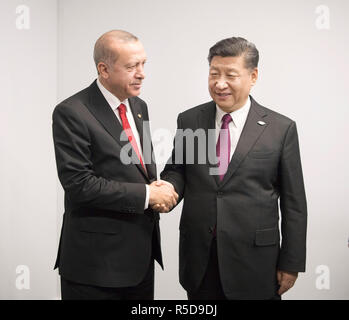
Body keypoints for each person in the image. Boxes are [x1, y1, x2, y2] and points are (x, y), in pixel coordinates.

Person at [158, 37, 307, 300]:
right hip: (201, 259)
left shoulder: (281, 129)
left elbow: (294, 203)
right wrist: (168, 187)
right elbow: (178, 169)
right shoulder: (190, 119)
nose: (219, 83)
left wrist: (291, 262)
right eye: (214, 74)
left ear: (253, 76)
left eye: (230, 75)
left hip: (257, 262)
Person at [52, 30, 177, 300]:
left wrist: (157, 187)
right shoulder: (71, 112)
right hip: (95, 267)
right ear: (104, 69)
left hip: (140, 260)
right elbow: (79, 185)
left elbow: (138, 169)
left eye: (144, 64)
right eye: (132, 66)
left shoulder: (138, 105)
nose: (142, 73)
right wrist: (148, 195)